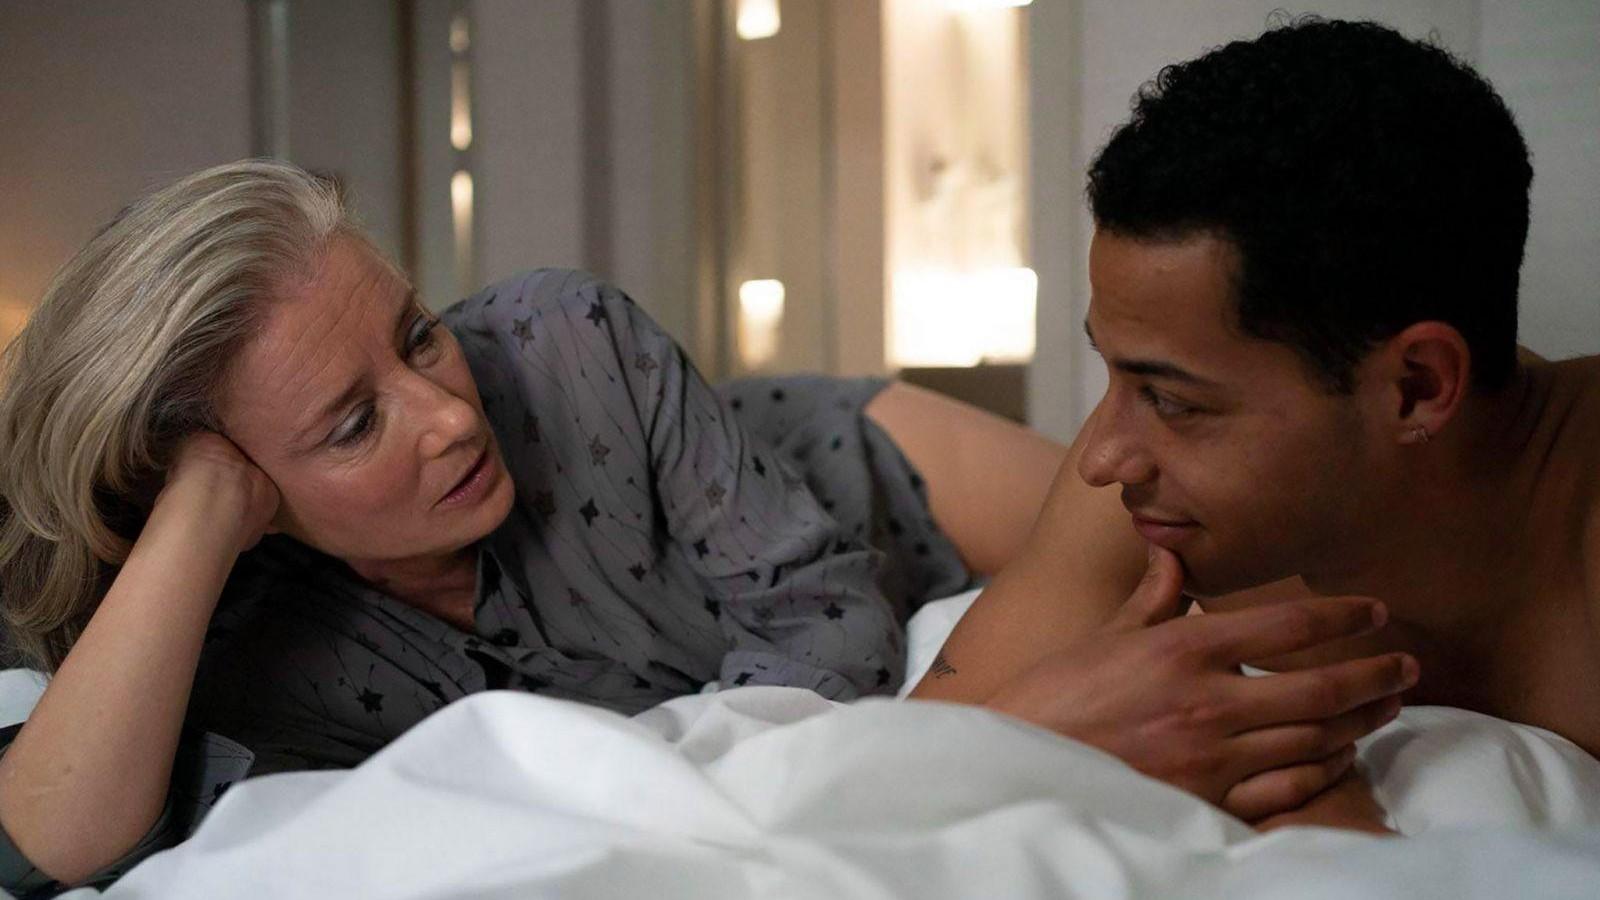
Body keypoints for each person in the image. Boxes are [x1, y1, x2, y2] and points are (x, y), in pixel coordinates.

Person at [911, 18, 1600, 833]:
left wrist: (1328, 829)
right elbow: (880, 784)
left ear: (1415, 388)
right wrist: (1048, 744)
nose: (1099, 457)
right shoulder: (1150, 509)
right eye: (1117, 376)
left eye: (1173, 400)